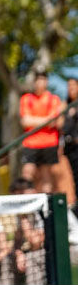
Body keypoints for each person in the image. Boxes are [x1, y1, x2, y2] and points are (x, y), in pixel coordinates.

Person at [19, 71, 63, 193]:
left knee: (46, 175)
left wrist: (34, 121)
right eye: (37, 80)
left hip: (49, 142)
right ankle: (27, 202)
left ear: (46, 82)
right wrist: (46, 121)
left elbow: (55, 122)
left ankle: (46, 203)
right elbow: (25, 121)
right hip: (30, 142)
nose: (39, 83)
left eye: (42, 80)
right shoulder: (26, 98)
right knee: (27, 172)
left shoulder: (53, 99)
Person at [0, 177, 46, 285]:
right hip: (32, 251)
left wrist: (23, 217)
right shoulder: (21, 212)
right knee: (8, 259)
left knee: (32, 258)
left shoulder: (43, 208)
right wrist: (19, 254)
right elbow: (17, 241)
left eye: (20, 194)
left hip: (66, 251)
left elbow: (36, 243)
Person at [62, 77, 77, 207]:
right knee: (76, 179)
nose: (70, 88)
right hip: (70, 149)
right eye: (68, 86)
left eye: (73, 85)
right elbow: (62, 127)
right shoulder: (66, 106)